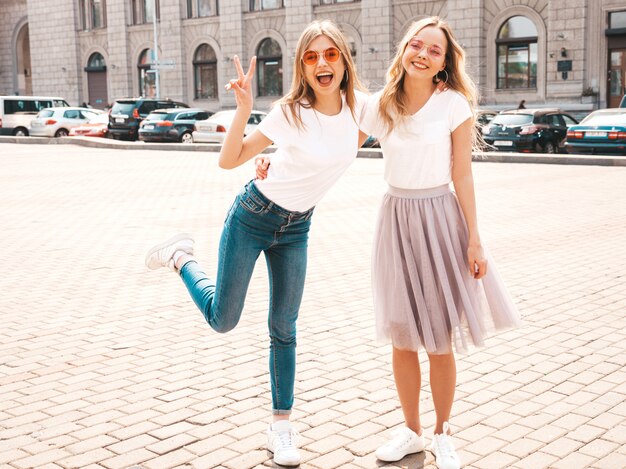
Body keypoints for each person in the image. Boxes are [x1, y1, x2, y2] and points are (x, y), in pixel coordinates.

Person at [144, 20, 368, 467]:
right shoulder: (289, 112)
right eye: (311, 56)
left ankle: (281, 428)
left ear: (344, 58)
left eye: (330, 54)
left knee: (284, 329)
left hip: (297, 228)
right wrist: (243, 107)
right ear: (302, 67)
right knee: (223, 320)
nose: (322, 63)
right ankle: (182, 257)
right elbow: (230, 160)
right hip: (253, 217)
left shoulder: (362, 109)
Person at [359, 17, 521, 469]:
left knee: (440, 338)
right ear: (404, 50)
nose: (423, 54)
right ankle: (411, 431)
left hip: (439, 219)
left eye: (434, 50)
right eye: (417, 45)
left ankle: (443, 432)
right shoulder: (379, 105)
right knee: (403, 335)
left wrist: (474, 239)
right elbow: (336, 147)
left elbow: (462, 173)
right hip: (395, 219)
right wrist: (275, 166)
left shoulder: (453, 104)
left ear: (444, 64)